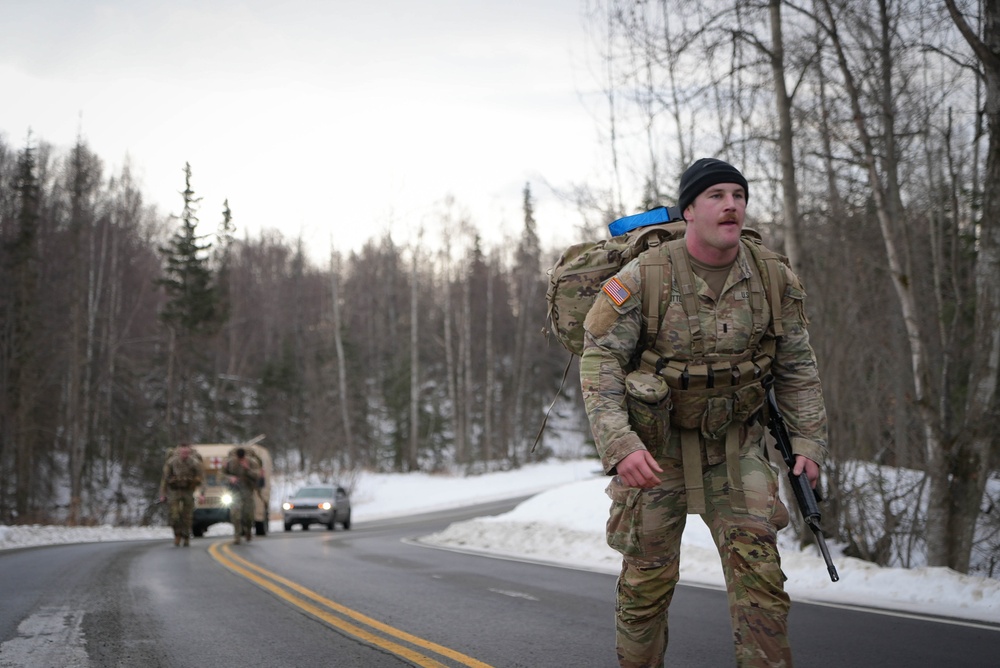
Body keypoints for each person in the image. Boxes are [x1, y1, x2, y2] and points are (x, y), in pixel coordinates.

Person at [580, 158, 828, 668]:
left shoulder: (772, 276)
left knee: (762, 584)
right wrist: (620, 445)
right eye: (716, 195)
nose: (731, 204)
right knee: (645, 589)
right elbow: (600, 363)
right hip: (654, 452)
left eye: (738, 195)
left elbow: (798, 367)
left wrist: (808, 444)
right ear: (689, 210)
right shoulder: (645, 276)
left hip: (736, 447)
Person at [158, 443, 204, 547]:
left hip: (188, 491)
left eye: (187, 452)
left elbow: (201, 479)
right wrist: (162, 494)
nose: (185, 454)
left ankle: (186, 536)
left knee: (187, 516)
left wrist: (201, 493)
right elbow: (165, 479)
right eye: (183, 452)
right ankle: (177, 534)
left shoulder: (194, 463)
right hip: (174, 491)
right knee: (174, 515)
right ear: (179, 452)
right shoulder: (172, 462)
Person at [223, 447, 261, 544]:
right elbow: (221, 475)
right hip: (235, 491)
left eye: (242, 458)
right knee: (235, 514)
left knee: (248, 515)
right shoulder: (230, 463)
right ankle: (237, 536)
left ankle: (248, 530)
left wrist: (247, 469)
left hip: (248, 491)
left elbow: (257, 475)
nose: (240, 460)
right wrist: (230, 478)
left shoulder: (252, 462)